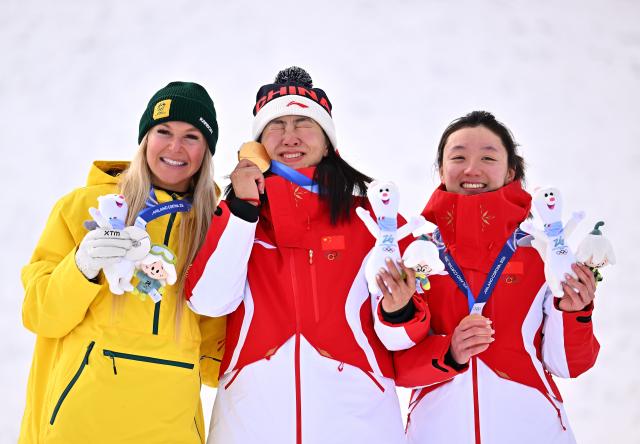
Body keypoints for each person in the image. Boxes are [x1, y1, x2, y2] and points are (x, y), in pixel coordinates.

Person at [185, 67, 427, 444]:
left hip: (357, 421)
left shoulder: (374, 219)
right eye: (276, 125)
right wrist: (243, 207)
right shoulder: (234, 216)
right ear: (258, 145)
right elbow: (210, 301)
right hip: (249, 420)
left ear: (328, 142)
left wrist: (399, 311)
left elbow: (402, 339)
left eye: (304, 123)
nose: (290, 136)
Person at [19, 82, 226, 443]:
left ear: (206, 151)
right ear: (145, 138)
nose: (175, 147)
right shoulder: (83, 207)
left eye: (191, 136)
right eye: (163, 131)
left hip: (171, 428)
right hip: (80, 423)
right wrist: (81, 266)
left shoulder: (217, 227)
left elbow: (215, 361)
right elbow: (41, 315)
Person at [384, 111, 600, 444]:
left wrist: (576, 312)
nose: (472, 169)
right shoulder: (415, 252)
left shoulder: (538, 249)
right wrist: (450, 353)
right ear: (440, 169)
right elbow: (396, 366)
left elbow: (569, 365)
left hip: (533, 431)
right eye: (458, 157)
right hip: (437, 431)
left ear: (511, 170)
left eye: (488, 157)